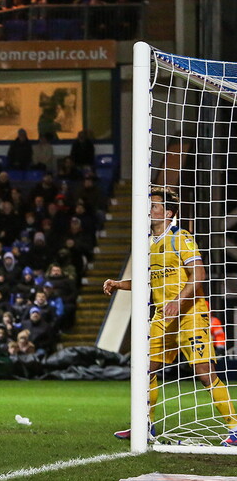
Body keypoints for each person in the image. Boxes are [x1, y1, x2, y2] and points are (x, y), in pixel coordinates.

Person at [105, 187, 237, 445]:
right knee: (145, 370)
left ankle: (235, 427)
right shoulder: (147, 243)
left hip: (189, 314)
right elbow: (147, 280)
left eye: (154, 206)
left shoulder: (180, 238)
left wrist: (178, 301)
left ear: (168, 213)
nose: (149, 210)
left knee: (204, 371)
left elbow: (199, 274)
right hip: (162, 317)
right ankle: (144, 425)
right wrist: (120, 284)